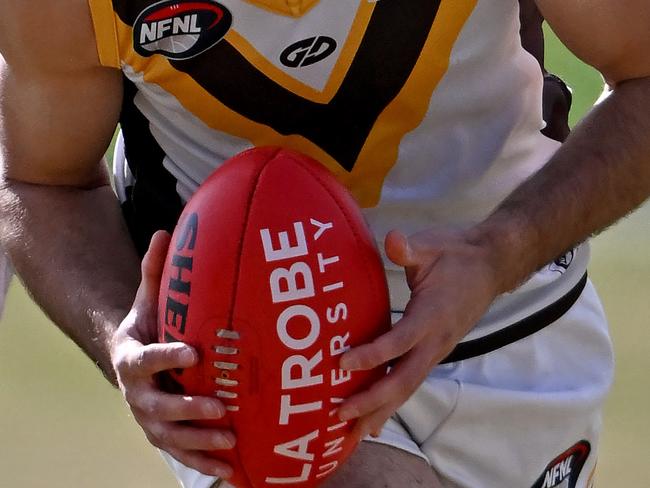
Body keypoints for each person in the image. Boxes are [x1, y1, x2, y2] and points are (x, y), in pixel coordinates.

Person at [1, 1, 649, 488]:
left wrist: (500, 252)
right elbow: (43, 180)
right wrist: (120, 332)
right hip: (261, 354)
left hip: (518, 318)